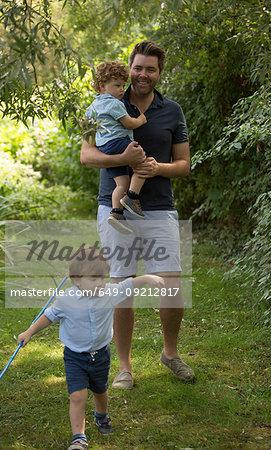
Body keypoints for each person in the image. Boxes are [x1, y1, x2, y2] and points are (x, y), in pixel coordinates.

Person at [80, 40, 194, 390]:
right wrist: (125, 160)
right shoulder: (103, 103)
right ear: (129, 67)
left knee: (171, 287)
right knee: (122, 286)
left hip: (160, 208)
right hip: (114, 207)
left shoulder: (172, 111)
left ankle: (170, 354)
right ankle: (125, 367)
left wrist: (154, 167)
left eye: (151, 69)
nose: (143, 74)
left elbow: (184, 165)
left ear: (159, 73)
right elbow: (87, 155)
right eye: (138, 67)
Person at [17, 247, 165, 450]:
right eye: (93, 279)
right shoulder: (66, 299)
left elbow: (128, 284)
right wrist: (29, 333)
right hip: (75, 357)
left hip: (101, 355)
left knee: (100, 391)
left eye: (102, 277)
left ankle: (101, 416)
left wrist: (147, 278)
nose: (100, 283)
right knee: (77, 396)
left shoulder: (109, 292)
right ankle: (79, 437)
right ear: (76, 280)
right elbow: (48, 316)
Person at [85, 61, 147, 234]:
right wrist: (141, 120)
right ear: (102, 86)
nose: (122, 90)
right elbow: (129, 123)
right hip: (118, 141)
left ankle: (117, 213)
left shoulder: (92, 106)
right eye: (117, 85)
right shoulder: (114, 103)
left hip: (104, 146)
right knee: (143, 162)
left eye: (123, 85)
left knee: (121, 183)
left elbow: (87, 124)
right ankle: (132, 197)